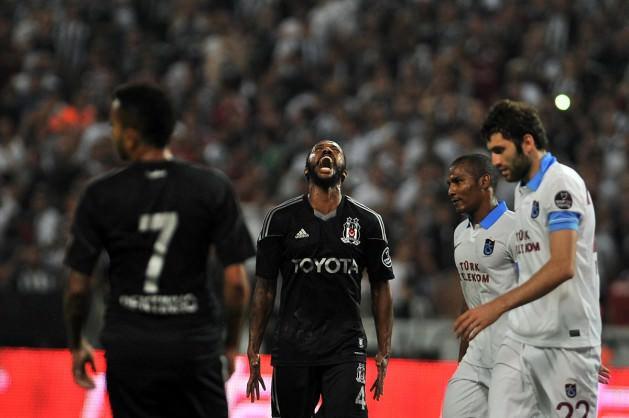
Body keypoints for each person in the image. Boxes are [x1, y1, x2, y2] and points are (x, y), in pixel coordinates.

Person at [63, 82, 255, 418]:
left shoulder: (100, 194)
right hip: (194, 348)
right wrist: (230, 344)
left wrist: (77, 341)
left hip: (130, 350)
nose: (113, 134)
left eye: (115, 126)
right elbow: (237, 284)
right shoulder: (211, 188)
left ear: (132, 136)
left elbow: (78, 287)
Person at [454, 99, 605, 417]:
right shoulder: (523, 193)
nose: (495, 161)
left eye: (500, 150)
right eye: (492, 152)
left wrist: (496, 306)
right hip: (523, 339)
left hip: (567, 341)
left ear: (527, 143)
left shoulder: (561, 184)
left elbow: (563, 266)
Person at [245, 139, 394, 418]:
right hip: (293, 347)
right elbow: (264, 287)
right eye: (319, 150)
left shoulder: (368, 222)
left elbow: (381, 287)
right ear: (306, 171)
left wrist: (384, 351)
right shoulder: (279, 219)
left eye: (334, 150)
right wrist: (253, 347)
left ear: (344, 173)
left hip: (345, 347)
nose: (326, 152)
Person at [441, 154, 518, 418]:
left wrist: (568, 349)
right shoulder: (460, 232)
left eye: (458, 181)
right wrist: (462, 359)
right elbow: (469, 298)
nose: (451, 191)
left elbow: (545, 289)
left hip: (514, 358)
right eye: (449, 184)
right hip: (476, 358)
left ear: (484, 181)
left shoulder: (516, 228)